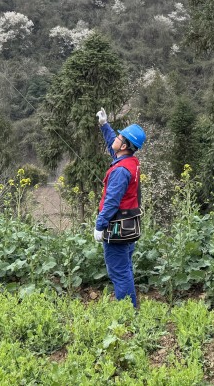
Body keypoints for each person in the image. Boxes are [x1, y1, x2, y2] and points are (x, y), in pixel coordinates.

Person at [93, 107, 145, 307]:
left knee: (119, 272)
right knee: (125, 268)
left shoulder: (120, 171)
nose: (116, 138)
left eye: (120, 136)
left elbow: (111, 201)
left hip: (117, 228)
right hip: (130, 225)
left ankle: (127, 314)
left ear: (124, 145)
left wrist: (100, 225)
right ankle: (130, 308)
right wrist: (105, 126)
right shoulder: (129, 161)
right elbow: (111, 144)